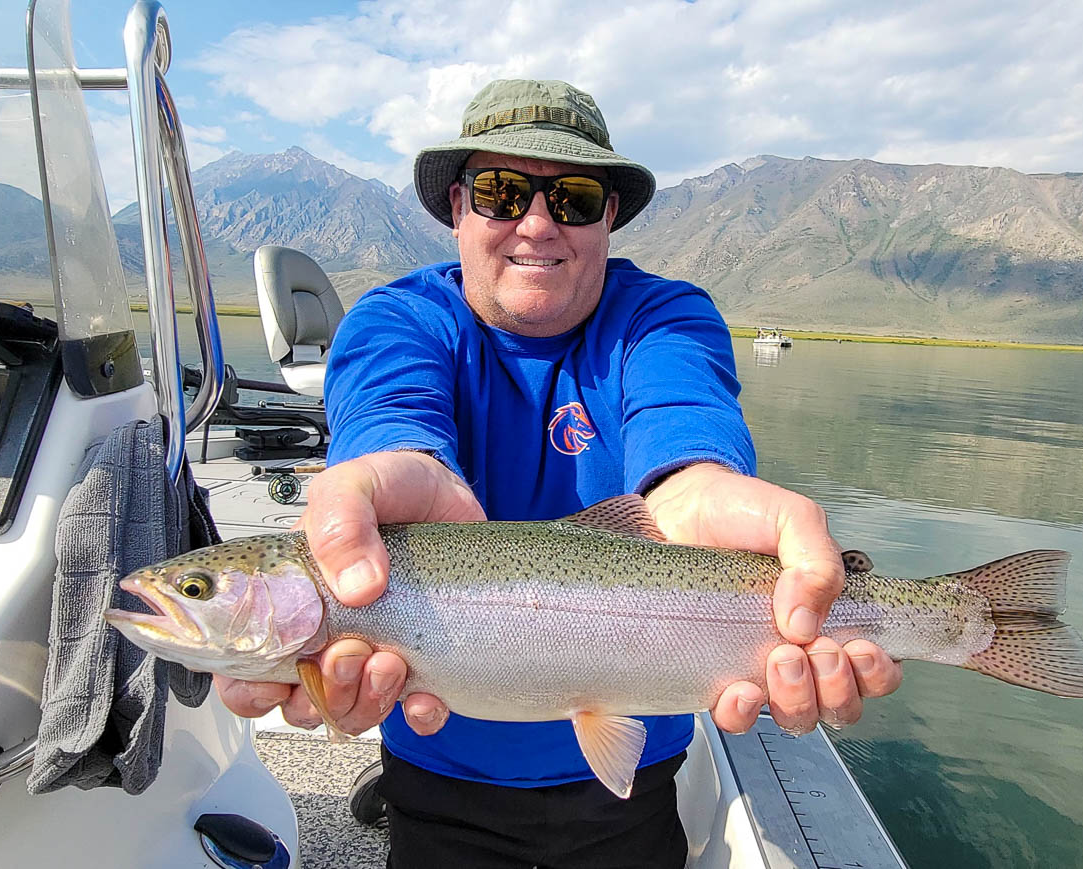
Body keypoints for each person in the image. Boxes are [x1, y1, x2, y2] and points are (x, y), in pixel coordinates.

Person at [216, 78, 901, 867]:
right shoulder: (395, 320)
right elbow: (390, 429)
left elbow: (687, 441)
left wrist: (695, 489)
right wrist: (392, 472)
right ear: (457, 207)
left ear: (609, 215)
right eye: (502, 193)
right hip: (438, 774)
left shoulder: (664, 317)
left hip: (634, 776)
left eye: (572, 198)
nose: (536, 223)